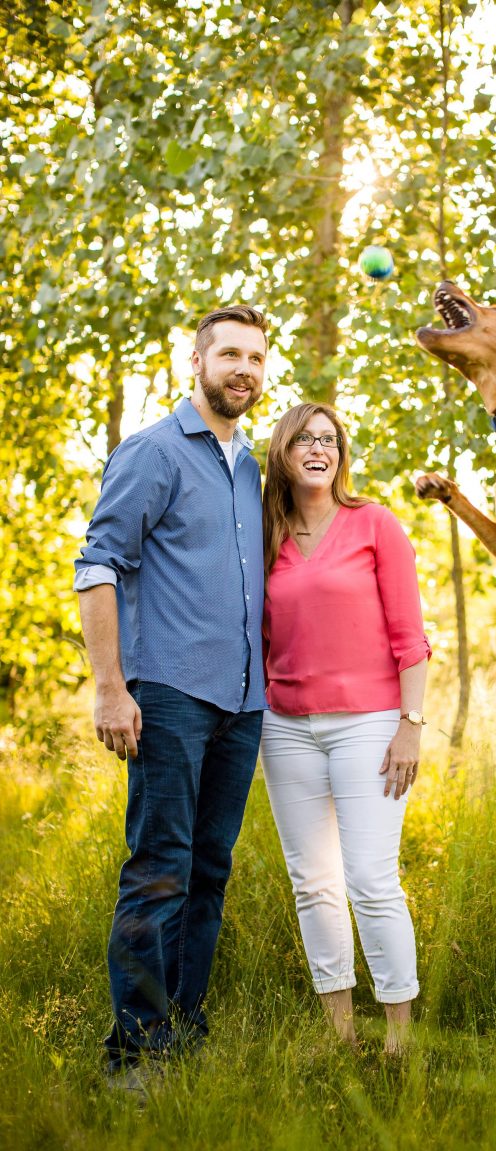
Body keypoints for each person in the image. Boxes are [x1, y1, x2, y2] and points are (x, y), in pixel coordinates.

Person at [74, 304, 269, 1085]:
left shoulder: (253, 465)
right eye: (229, 355)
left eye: (255, 358)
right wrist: (109, 688)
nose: (243, 371)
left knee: (210, 870)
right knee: (159, 869)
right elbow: (98, 567)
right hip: (170, 695)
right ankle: (134, 1052)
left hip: (244, 702)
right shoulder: (153, 451)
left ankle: (183, 1030)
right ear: (198, 363)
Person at [260, 402, 431, 1055]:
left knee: (370, 877)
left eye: (328, 440)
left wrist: (410, 726)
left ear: (340, 454)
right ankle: (341, 1034)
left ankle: (398, 1037)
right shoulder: (266, 536)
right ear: (283, 451)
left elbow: (410, 637)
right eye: (303, 438)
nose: (317, 449)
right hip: (286, 728)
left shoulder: (375, 525)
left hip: (370, 725)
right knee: (314, 881)